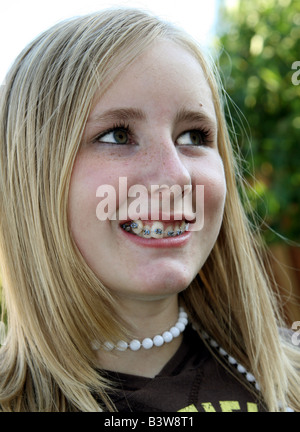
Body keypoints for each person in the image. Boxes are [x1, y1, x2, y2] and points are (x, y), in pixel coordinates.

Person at [0, 7, 299, 413]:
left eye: (194, 135)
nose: (175, 177)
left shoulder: (289, 387)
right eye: (117, 135)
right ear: (31, 177)